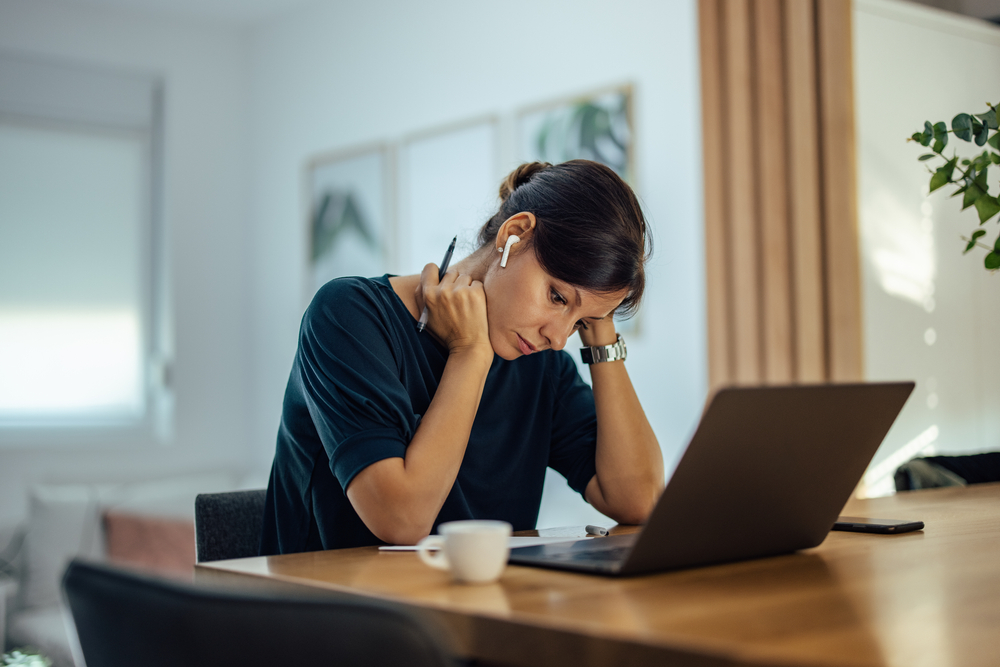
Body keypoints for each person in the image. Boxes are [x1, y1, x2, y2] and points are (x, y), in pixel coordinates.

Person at [260, 160, 664, 553]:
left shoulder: (542, 365)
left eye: (579, 323)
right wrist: (470, 352)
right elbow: (402, 520)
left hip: (473, 608)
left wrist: (601, 330)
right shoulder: (348, 316)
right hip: (327, 612)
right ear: (515, 234)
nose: (558, 338)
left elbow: (638, 499)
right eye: (557, 297)